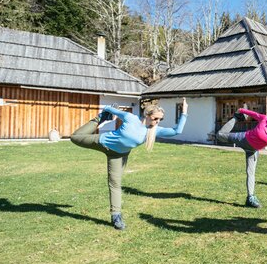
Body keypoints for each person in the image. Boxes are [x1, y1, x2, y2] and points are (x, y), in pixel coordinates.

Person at [70, 98, 188, 230]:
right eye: (155, 118)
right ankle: (99, 119)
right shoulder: (131, 118)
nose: (157, 122)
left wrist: (184, 112)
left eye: (160, 119)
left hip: (118, 155)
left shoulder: (154, 130)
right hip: (103, 142)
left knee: (115, 183)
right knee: (75, 137)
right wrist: (106, 112)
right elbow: (109, 108)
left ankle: (116, 216)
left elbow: (177, 131)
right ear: (147, 115)